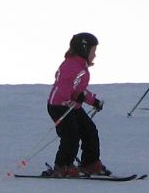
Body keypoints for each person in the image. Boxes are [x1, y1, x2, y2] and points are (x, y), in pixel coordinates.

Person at [45, 32, 109, 177]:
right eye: (93, 51)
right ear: (84, 50)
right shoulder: (71, 65)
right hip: (59, 106)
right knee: (71, 134)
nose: (95, 55)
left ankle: (90, 162)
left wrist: (93, 101)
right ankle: (62, 165)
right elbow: (63, 86)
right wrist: (73, 97)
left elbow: (79, 90)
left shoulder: (81, 67)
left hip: (72, 106)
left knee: (90, 130)